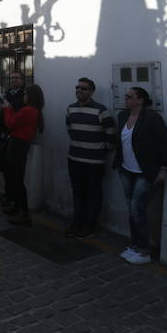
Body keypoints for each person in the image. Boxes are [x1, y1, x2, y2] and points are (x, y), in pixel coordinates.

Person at [113, 87, 167, 265]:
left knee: (137, 209)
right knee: (132, 209)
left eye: (129, 96)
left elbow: (166, 143)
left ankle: (145, 250)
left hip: (145, 172)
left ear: (140, 100)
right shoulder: (122, 116)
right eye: (126, 96)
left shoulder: (152, 118)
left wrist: (164, 168)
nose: (125, 99)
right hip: (126, 170)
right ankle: (136, 246)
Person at [65, 77, 116, 238]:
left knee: (93, 192)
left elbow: (111, 134)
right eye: (77, 87)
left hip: (94, 161)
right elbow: (69, 129)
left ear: (92, 91)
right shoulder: (70, 109)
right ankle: (77, 222)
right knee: (77, 191)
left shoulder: (101, 110)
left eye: (84, 88)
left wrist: (101, 150)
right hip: (74, 158)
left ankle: (90, 225)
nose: (79, 91)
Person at [1, 84, 44, 226]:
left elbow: (11, 123)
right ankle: (17, 207)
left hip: (18, 145)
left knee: (17, 179)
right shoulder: (32, 110)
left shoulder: (28, 110)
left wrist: (6, 108)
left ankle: (24, 213)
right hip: (19, 144)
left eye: (26, 93)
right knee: (15, 178)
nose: (24, 95)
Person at [0, 71, 26, 206]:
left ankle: (14, 199)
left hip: (17, 136)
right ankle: (8, 194)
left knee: (14, 170)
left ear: (22, 80)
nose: (14, 80)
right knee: (2, 164)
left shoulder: (24, 96)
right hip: (5, 135)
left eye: (17, 78)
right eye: (11, 78)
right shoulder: (6, 95)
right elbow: (2, 115)